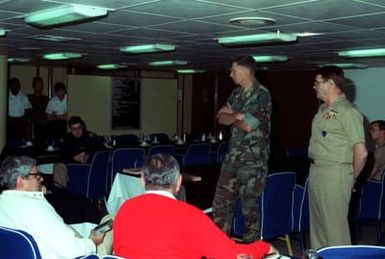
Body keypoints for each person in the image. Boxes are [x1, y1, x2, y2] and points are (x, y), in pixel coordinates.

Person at [114, 154, 277, 259]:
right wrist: (265, 247)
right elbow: (233, 256)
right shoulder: (190, 215)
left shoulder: (124, 210)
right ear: (178, 182)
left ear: (142, 180)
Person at [0, 156, 112, 258]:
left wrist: (38, 195)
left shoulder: (3, 202)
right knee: (113, 221)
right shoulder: (37, 208)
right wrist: (92, 242)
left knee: (75, 228)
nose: (41, 179)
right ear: (20, 181)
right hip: (71, 253)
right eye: (36, 175)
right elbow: (72, 250)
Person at [212, 55, 272, 242]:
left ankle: (251, 248)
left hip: (253, 162)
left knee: (249, 209)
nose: (231, 75)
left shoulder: (262, 95)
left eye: (234, 71)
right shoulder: (236, 94)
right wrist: (237, 115)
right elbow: (220, 117)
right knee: (221, 204)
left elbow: (248, 125)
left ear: (245, 72)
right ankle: (219, 247)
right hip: (232, 158)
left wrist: (234, 116)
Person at [308, 66, 368, 249]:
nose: (314, 86)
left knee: (336, 232)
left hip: (335, 173)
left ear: (330, 84)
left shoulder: (348, 112)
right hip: (317, 171)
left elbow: (362, 153)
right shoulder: (322, 110)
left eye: (317, 82)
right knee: (318, 229)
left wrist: (351, 178)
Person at [53, 116, 103, 189]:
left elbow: (100, 151)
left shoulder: (91, 137)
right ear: (70, 129)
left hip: (89, 166)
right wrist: (74, 158)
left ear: (82, 127)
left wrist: (87, 155)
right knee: (58, 166)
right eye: (74, 129)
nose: (77, 131)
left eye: (79, 128)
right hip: (71, 166)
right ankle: (59, 193)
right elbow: (61, 157)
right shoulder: (66, 139)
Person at [27, 77, 49, 143]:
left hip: (44, 123)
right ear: (33, 86)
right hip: (32, 122)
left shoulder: (46, 99)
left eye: (40, 84)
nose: (39, 86)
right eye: (37, 84)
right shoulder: (28, 98)